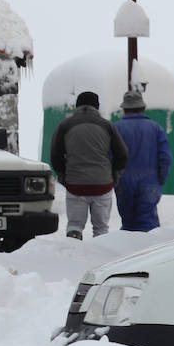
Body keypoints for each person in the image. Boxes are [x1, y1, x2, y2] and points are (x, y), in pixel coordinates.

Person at [49, 90, 128, 240]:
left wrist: (63, 176)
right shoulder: (107, 126)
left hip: (75, 185)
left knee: (75, 225)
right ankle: (101, 254)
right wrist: (114, 176)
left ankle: (73, 249)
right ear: (97, 107)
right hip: (103, 184)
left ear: (77, 106)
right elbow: (122, 154)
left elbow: (55, 154)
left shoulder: (65, 125)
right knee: (101, 228)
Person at [113, 89, 171, 232]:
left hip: (123, 180)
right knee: (148, 224)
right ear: (143, 108)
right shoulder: (156, 128)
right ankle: (151, 251)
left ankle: (128, 251)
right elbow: (165, 158)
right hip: (150, 181)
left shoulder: (116, 128)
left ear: (124, 109)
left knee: (128, 223)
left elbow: (109, 156)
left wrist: (114, 178)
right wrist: (160, 179)